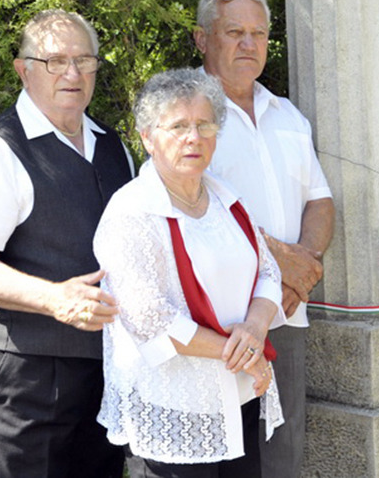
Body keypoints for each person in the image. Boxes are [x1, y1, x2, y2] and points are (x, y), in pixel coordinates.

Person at [0, 9, 131, 477]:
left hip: (104, 374)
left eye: (84, 60)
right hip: (22, 375)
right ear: (23, 70)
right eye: (55, 61)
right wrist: (55, 299)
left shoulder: (115, 146)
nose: (72, 73)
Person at [93, 68, 285, 476]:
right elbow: (149, 317)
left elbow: (267, 271)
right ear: (148, 137)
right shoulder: (131, 212)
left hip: (239, 396)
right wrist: (243, 355)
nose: (193, 137)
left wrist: (254, 329)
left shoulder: (226, 198)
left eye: (204, 125)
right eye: (178, 126)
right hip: (177, 407)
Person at [194, 0, 336, 477]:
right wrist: (281, 263)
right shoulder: (187, 114)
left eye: (258, 34)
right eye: (234, 32)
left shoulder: (287, 115)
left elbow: (319, 200)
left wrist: (301, 272)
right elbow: (193, 208)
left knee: (280, 452)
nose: (249, 45)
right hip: (218, 323)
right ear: (202, 39)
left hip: (285, 314)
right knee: (220, 456)